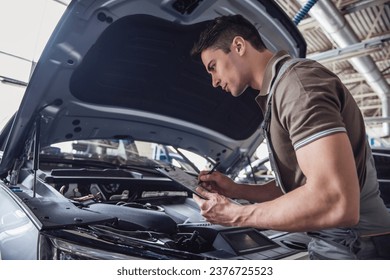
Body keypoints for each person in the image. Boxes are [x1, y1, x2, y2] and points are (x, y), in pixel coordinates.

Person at [190, 14, 390, 259]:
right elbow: (303, 186)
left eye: (213, 67)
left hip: (353, 244)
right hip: (341, 239)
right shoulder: (280, 91)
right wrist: (237, 190)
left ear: (239, 46)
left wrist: (236, 215)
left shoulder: (297, 85)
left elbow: (335, 200)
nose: (213, 81)